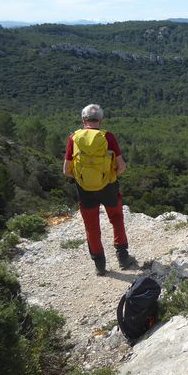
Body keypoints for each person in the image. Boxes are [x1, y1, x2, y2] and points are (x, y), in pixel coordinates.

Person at [64, 104, 136, 276]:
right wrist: (111, 176)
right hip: (109, 187)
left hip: (84, 190)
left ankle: (100, 265)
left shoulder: (74, 138)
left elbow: (66, 171)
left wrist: (83, 179)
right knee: (117, 218)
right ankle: (123, 257)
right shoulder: (108, 137)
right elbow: (122, 166)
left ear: (83, 120)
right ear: (100, 120)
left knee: (91, 226)